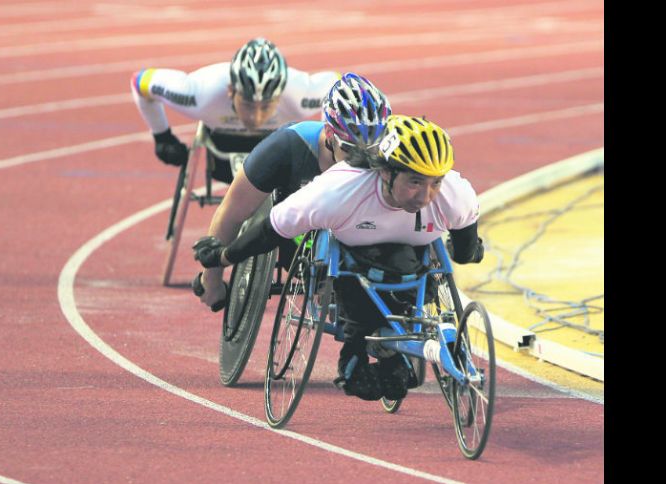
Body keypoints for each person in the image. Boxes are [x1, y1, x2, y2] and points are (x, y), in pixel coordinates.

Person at [192, 114, 485, 402]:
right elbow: (273, 229)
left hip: (413, 268)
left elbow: (464, 252)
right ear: (386, 172)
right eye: (415, 183)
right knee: (351, 280)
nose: (425, 196)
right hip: (354, 270)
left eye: (435, 183)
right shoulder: (338, 189)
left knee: (413, 269)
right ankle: (356, 350)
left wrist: (471, 251)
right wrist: (224, 257)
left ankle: (397, 348)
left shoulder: (456, 196)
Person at [193, 72, 392, 311]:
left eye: (371, 150)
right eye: (351, 150)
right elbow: (232, 211)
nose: (362, 161)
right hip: (299, 237)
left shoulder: (393, 149)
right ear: (330, 135)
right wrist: (212, 281)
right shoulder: (287, 147)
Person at [130, 37, 340, 184]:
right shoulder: (197, 94)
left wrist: (329, 145)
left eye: (266, 106)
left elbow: (337, 83)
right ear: (231, 91)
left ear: (280, 95)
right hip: (223, 155)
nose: (256, 117)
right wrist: (162, 136)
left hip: (278, 150)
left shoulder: (301, 96)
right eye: (248, 105)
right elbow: (140, 82)